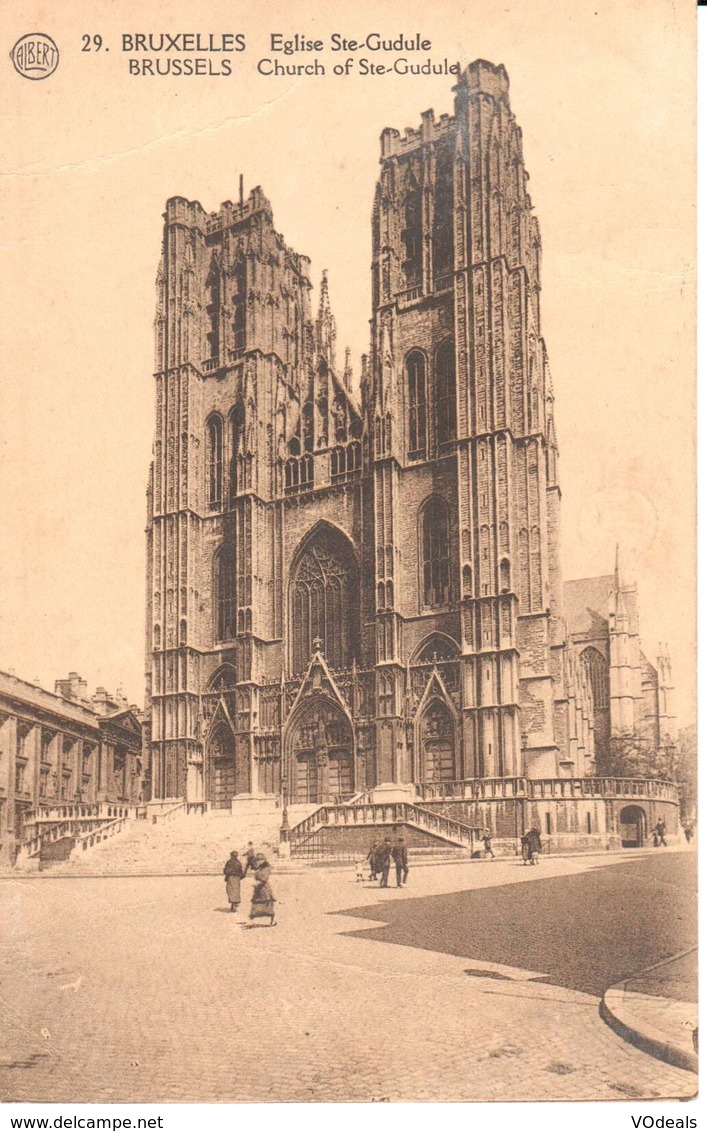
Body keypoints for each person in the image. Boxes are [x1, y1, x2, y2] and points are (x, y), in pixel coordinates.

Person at [249, 854, 276, 926]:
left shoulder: (266, 868)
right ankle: (253, 920)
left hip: (264, 888)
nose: (256, 863)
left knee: (267, 903)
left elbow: (264, 878)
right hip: (258, 888)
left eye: (258, 861)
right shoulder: (259, 868)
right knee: (256, 904)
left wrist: (258, 882)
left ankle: (271, 920)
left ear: (262, 861)